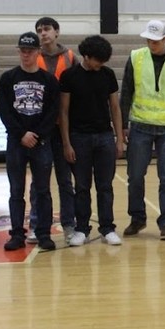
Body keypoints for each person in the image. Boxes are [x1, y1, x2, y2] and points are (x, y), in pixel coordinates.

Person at [120, 20, 165, 241]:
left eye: (156, 40)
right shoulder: (135, 57)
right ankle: (137, 218)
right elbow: (126, 93)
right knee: (135, 176)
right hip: (140, 125)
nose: (152, 44)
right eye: (149, 40)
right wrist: (123, 125)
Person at [61, 35, 125, 246]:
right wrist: (67, 143)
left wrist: (119, 139)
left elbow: (115, 107)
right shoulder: (69, 76)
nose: (101, 65)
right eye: (98, 60)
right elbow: (64, 112)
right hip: (79, 138)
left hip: (105, 137)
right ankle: (82, 229)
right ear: (86, 56)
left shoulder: (107, 74)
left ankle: (107, 228)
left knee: (105, 186)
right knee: (82, 186)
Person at [0, 32, 60, 251]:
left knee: (42, 190)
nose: (26, 55)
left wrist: (37, 135)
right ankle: (16, 234)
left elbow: (53, 113)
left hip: (41, 143)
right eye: (22, 51)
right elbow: (5, 112)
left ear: (38, 52)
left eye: (30, 51)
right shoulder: (8, 78)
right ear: (18, 52)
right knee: (16, 191)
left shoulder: (49, 80)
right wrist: (21, 134)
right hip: (16, 142)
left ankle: (43, 233)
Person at [31, 16, 77, 244]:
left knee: (64, 180)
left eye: (47, 29)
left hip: (63, 128)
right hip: (40, 128)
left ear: (57, 32)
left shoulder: (70, 57)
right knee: (38, 181)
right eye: (39, 30)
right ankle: (36, 224)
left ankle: (69, 224)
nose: (43, 33)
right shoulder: (32, 55)